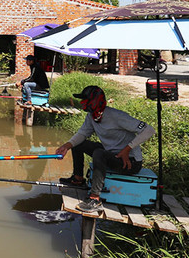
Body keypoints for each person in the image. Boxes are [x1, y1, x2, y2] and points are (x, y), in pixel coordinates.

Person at [55, 85, 155, 214]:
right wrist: (66, 146)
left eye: (85, 100)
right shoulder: (92, 116)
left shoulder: (116, 115)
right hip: (111, 153)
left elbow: (149, 130)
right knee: (79, 144)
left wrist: (127, 149)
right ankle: (78, 178)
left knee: (99, 153)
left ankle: (95, 199)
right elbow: (82, 134)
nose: (82, 103)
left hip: (130, 162)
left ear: (95, 101)